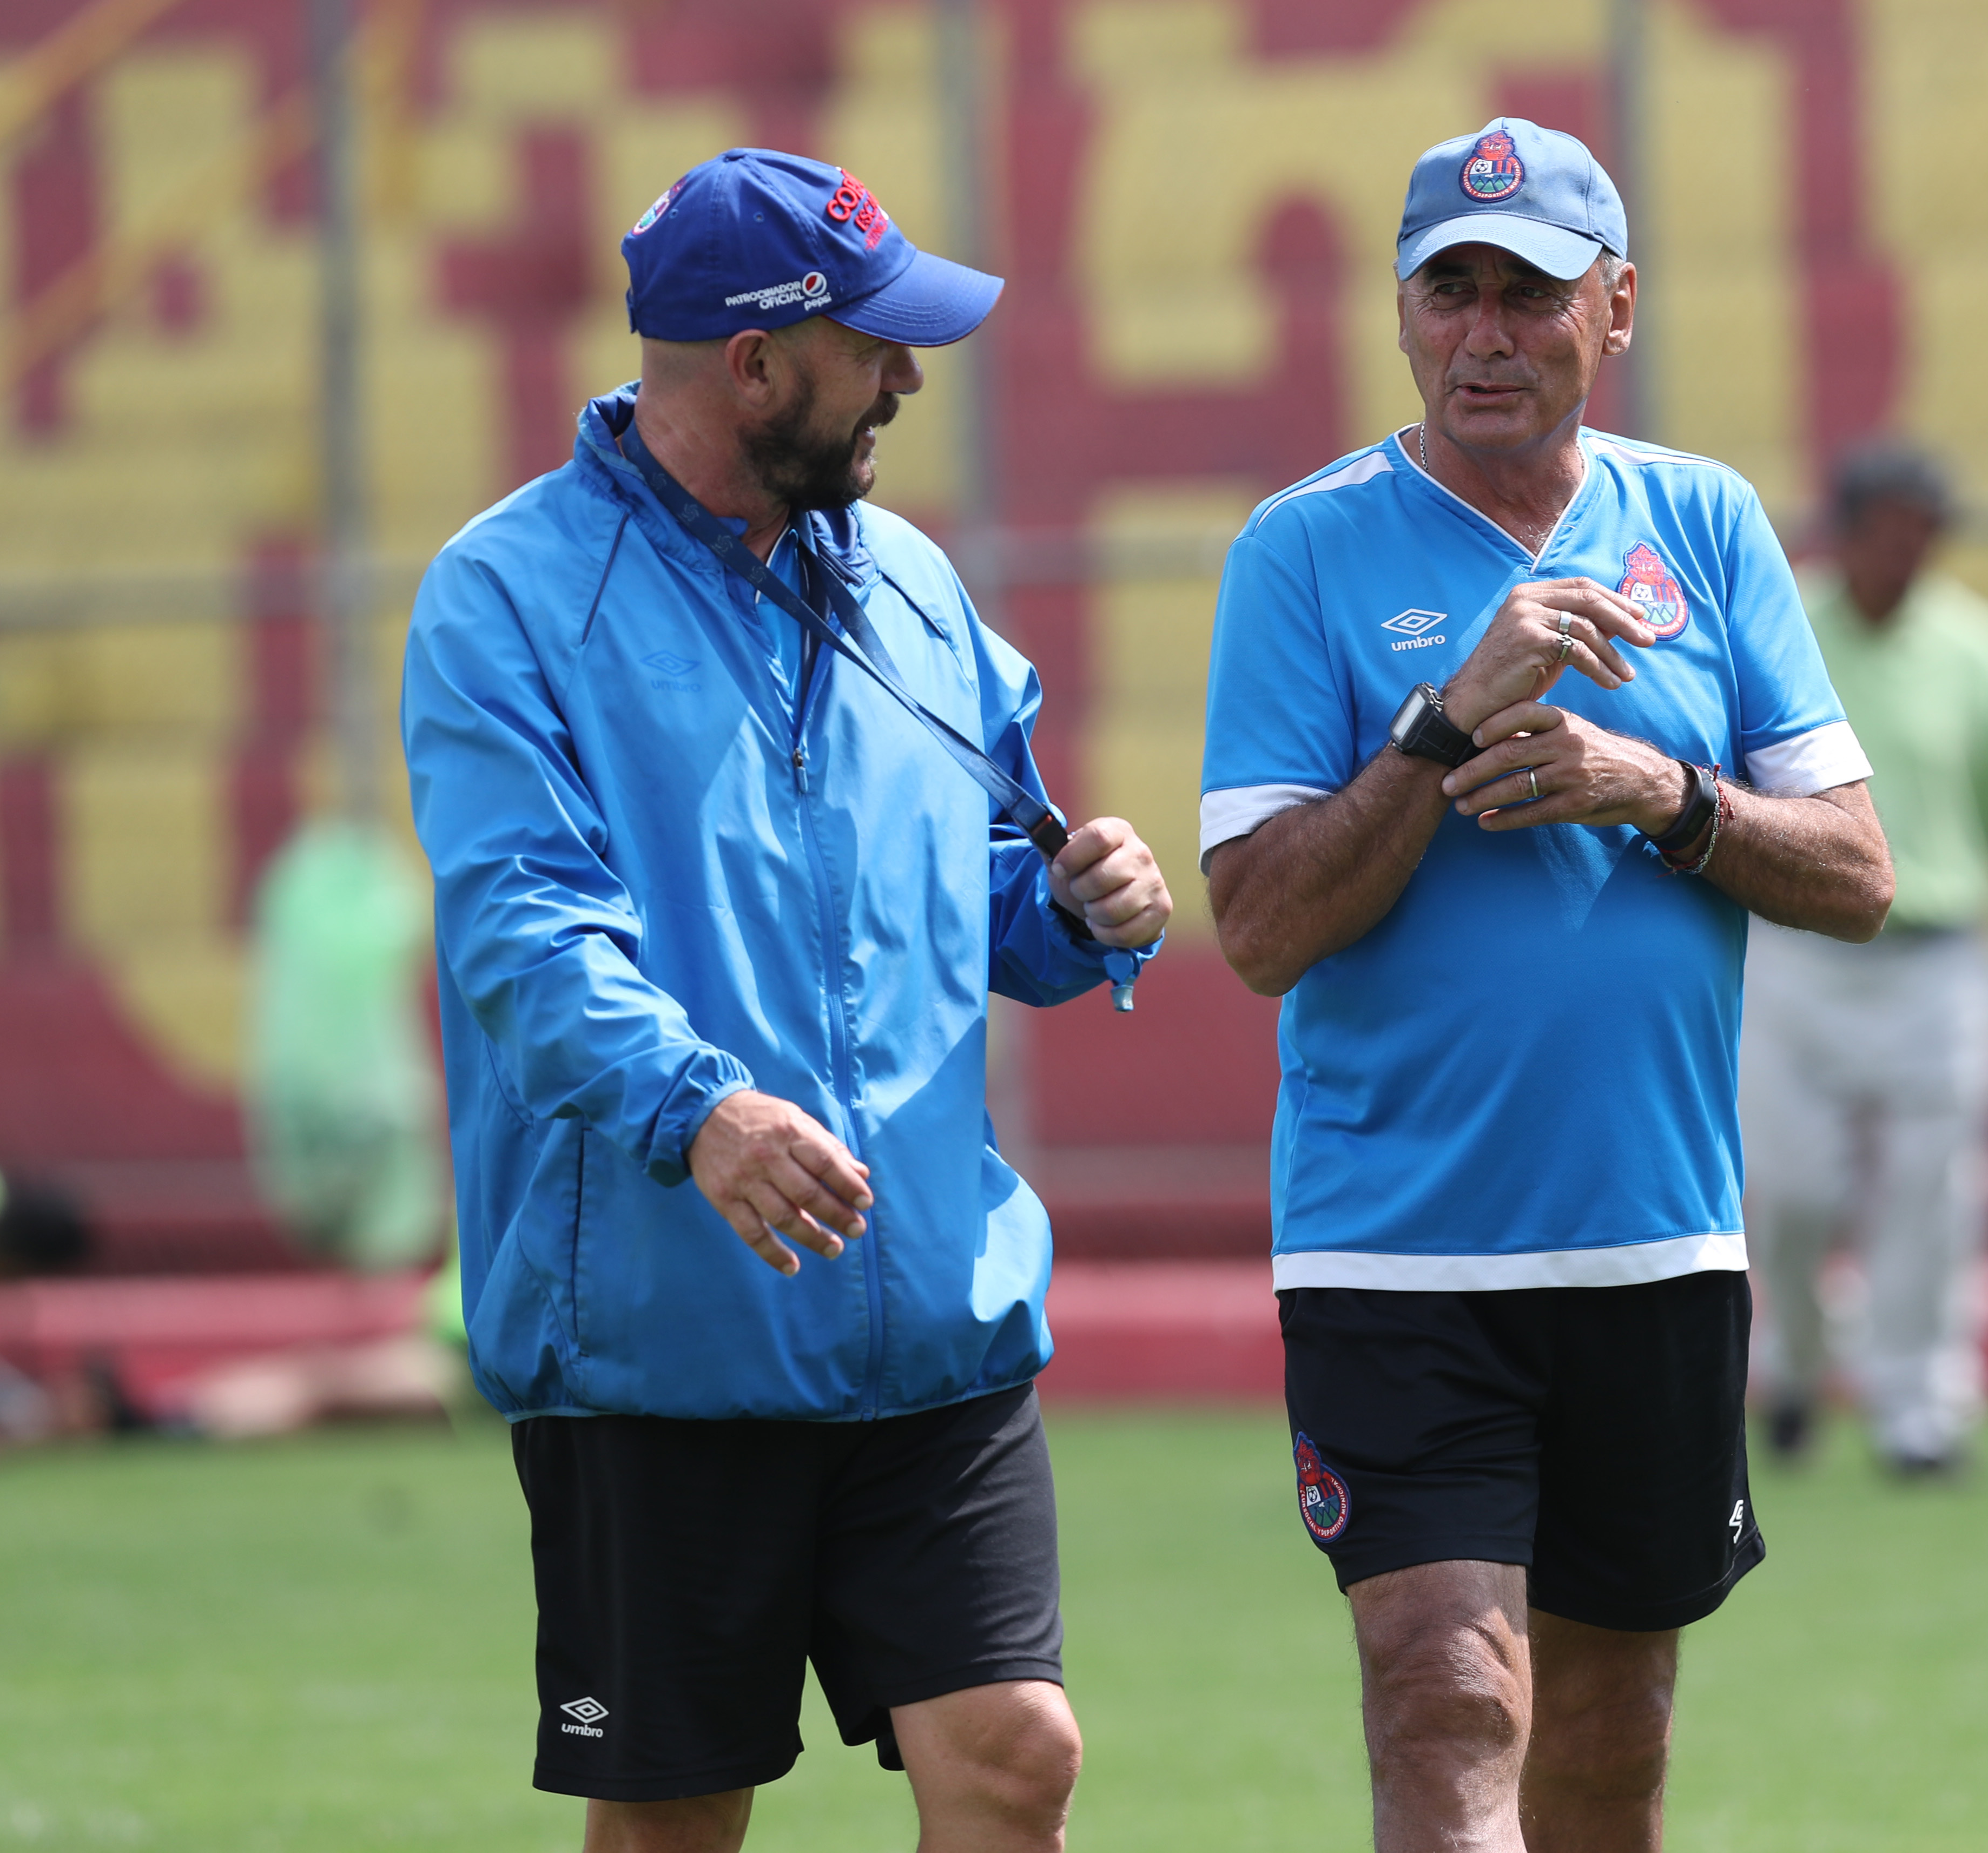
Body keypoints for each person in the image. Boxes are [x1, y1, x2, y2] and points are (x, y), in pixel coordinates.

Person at [401, 148, 1171, 1853]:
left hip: (930, 1322)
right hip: (668, 1344)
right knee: (678, 1821)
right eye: (871, 343)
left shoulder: (910, 580)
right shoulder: (507, 598)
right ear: (753, 365)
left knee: (1017, 1751)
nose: (907, 374)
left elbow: (989, 872)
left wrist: (1071, 904)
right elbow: (523, 937)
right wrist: (705, 1109)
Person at [1199, 119, 1893, 1853]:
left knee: (1608, 1738)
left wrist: (1657, 791)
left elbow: (1859, 873)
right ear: (1404, 313)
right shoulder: (1303, 550)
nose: (1487, 335)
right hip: (1398, 1247)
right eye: (1453, 293)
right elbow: (1263, 927)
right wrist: (1440, 730)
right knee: (1447, 1692)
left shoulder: (1705, 525)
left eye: (1531, 294)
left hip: (1655, 1236)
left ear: (1619, 307)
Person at [1740, 441, 1988, 1477]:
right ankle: (1791, 1366)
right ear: (1843, 531)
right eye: (1884, 529)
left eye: (1919, 533)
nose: (1902, 552)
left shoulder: (1979, 648)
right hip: (1794, 945)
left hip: (1938, 954)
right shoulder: (1777, 621)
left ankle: (1918, 1409)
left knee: (1933, 1192)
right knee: (1786, 1191)